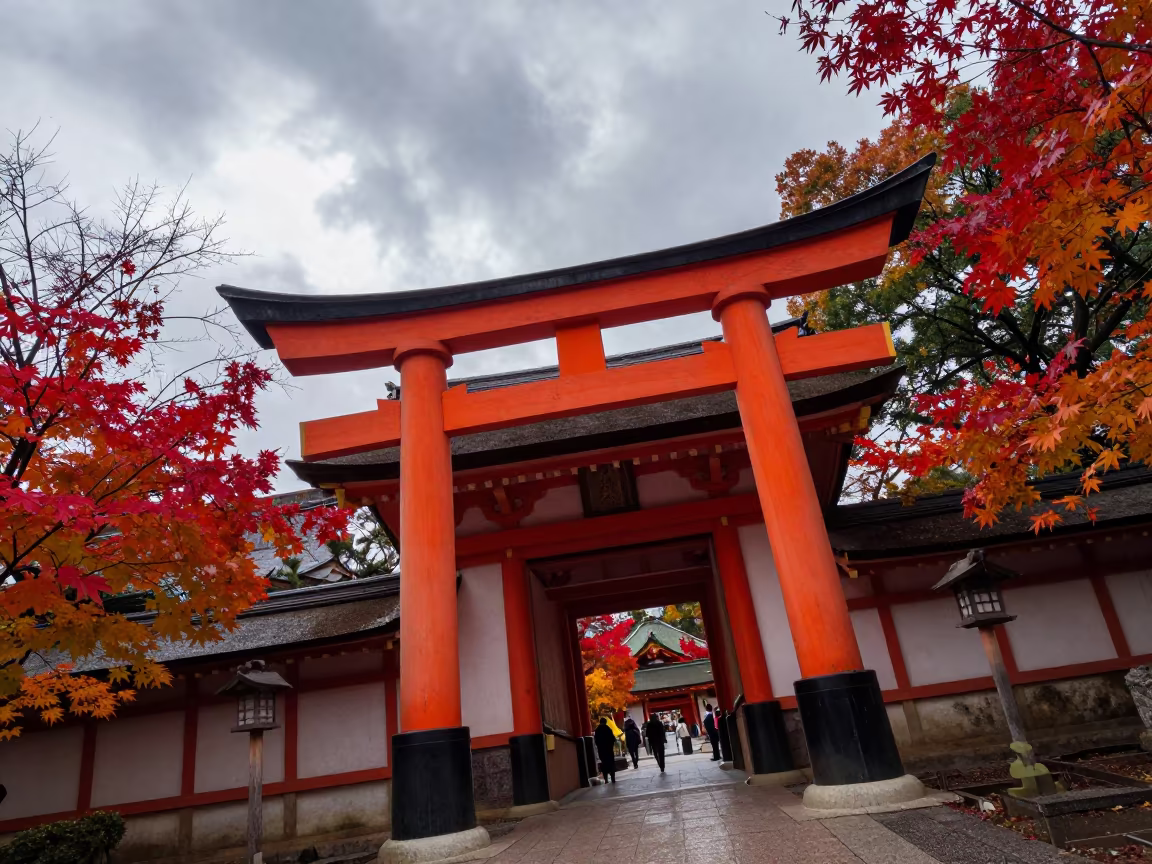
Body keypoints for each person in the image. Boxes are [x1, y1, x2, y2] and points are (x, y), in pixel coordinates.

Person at [593, 717, 617, 783]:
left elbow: (596, 741)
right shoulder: (608, 729)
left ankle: (606, 779)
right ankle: (613, 778)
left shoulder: (597, 730)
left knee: (604, 763)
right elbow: (613, 739)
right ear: (605, 722)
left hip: (601, 750)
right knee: (611, 763)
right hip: (609, 749)